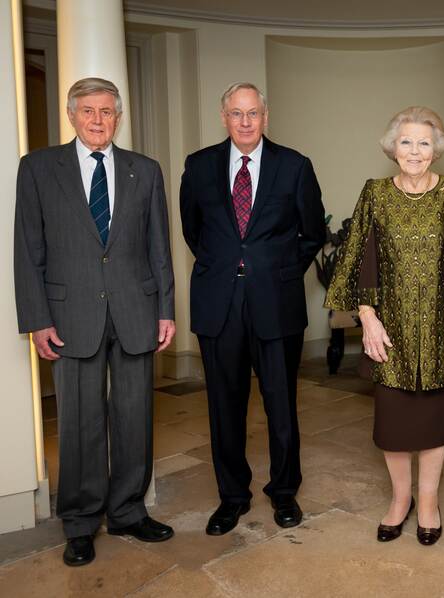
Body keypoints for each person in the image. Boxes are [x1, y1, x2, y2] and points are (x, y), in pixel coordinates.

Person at [14, 77, 176, 566]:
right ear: (72, 115)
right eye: (88, 111)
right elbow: (27, 251)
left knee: (133, 418)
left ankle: (128, 511)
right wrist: (37, 319)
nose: (98, 120)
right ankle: (80, 522)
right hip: (69, 316)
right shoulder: (39, 168)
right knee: (80, 422)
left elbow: (159, 249)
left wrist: (165, 309)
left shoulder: (144, 171)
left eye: (107, 111)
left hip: (134, 311)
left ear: (119, 117)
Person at [325, 106, 444, 546]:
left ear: (436, 151)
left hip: (441, 328)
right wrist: (367, 318)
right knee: (395, 426)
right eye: (406, 142)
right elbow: (360, 258)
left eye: (423, 142)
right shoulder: (375, 193)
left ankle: (430, 501)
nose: (414, 151)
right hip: (390, 330)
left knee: (436, 422)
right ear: (391, 148)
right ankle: (401, 501)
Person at [180, 83, 326, 536]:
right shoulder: (200, 166)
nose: (245, 122)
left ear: (266, 116)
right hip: (218, 302)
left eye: (253, 114)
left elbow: (313, 232)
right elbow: (193, 230)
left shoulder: (294, 166)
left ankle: (283, 492)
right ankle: (232, 497)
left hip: (276, 302)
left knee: (281, 404)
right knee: (224, 406)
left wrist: (279, 269)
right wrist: (228, 265)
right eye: (236, 114)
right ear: (223, 117)